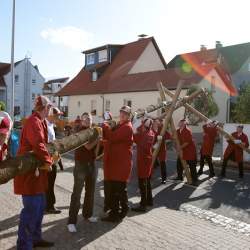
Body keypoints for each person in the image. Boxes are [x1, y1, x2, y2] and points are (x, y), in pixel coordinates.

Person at [14, 95, 54, 249]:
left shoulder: (40, 121)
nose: (50, 109)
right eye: (49, 107)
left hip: (38, 176)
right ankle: (24, 245)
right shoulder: (33, 121)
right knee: (31, 211)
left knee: (39, 209)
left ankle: (36, 238)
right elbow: (37, 143)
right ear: (44, 108)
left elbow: (44, 144)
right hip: (30, 174)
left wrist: (51, 155)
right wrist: (48, 161)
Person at [67, 113, 99, 233]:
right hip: (81, 165)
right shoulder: (80, 131)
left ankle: (88, 214)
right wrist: (98, 138)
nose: (88, 120)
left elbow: (95, 149)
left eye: (89, 119)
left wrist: (98, 139)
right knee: (77, 194)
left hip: (92, 164)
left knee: (90, 192)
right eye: (85, 119)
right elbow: (88, 146)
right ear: (82, 121)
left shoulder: (92, 131)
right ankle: (71, 221)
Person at [101, 106, 133, 222]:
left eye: (125, 114)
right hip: (117, 164)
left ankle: (120, 211)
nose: (122, 115)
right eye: (121, 113)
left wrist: (104, 125)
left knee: (118, 190)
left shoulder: (127, 127)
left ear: (129, 116)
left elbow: (112, 137)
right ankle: (119, 211)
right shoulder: (121, 125)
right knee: (117, 190)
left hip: (121, 165)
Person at [132, 118, 154, 212]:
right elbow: (139, 131)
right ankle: (149, 200)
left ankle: (143, 205)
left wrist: (134, 123)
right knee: (147, 181)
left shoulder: (144, 135)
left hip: (143, 161)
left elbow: (135, 135)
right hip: (147, 160)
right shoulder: (150, 132)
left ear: (145, 127)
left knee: (142, 183)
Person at [45, 107, 64, 214]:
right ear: (51, 115)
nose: (59, 117)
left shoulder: (51, 125)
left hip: (53, 158)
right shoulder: (46, 125)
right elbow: (48, 144)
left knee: (49, 183)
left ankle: (47, 204)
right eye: (57, 115)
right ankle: (50, 205)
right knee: (49, 183)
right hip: (49, 158)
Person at [176, 119, 198, 186]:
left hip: (190, 151)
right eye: (179, 122)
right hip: (183, 151)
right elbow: (174, 138)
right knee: (179, 163)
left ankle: (194, 180)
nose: (179, 123)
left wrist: (179, 148)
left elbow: (187, 142)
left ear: (184, 124)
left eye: (181, 122)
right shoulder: (178, 131)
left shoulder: (188, 131)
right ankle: (180, 177)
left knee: (192, 166)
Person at [155, 119, 172, 184]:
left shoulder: (163, 128)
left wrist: (162, 139)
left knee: (163, 164)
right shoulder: (156, 127)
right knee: (152, 162)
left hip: (162, 149)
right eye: (158, 121)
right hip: (155, 148)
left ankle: (164, 178)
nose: (158, 122)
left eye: (160, 121)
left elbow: (169, 137)